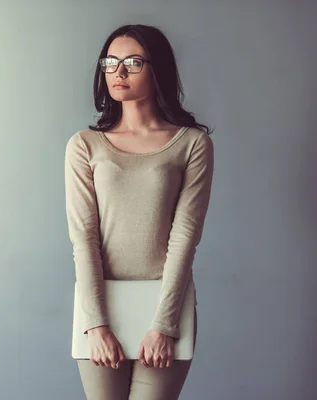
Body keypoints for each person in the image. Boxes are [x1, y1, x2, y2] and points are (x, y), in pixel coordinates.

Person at [64, 24, 215, 400]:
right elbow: (84, 237)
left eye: (133, 62)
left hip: (165, 307)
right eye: (110, 62)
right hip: (99, 307)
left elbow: (185, 237)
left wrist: (164, 325)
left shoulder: (192, 143)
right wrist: (96, 325)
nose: (119, 72)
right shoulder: (85, 145)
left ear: (158, 68)